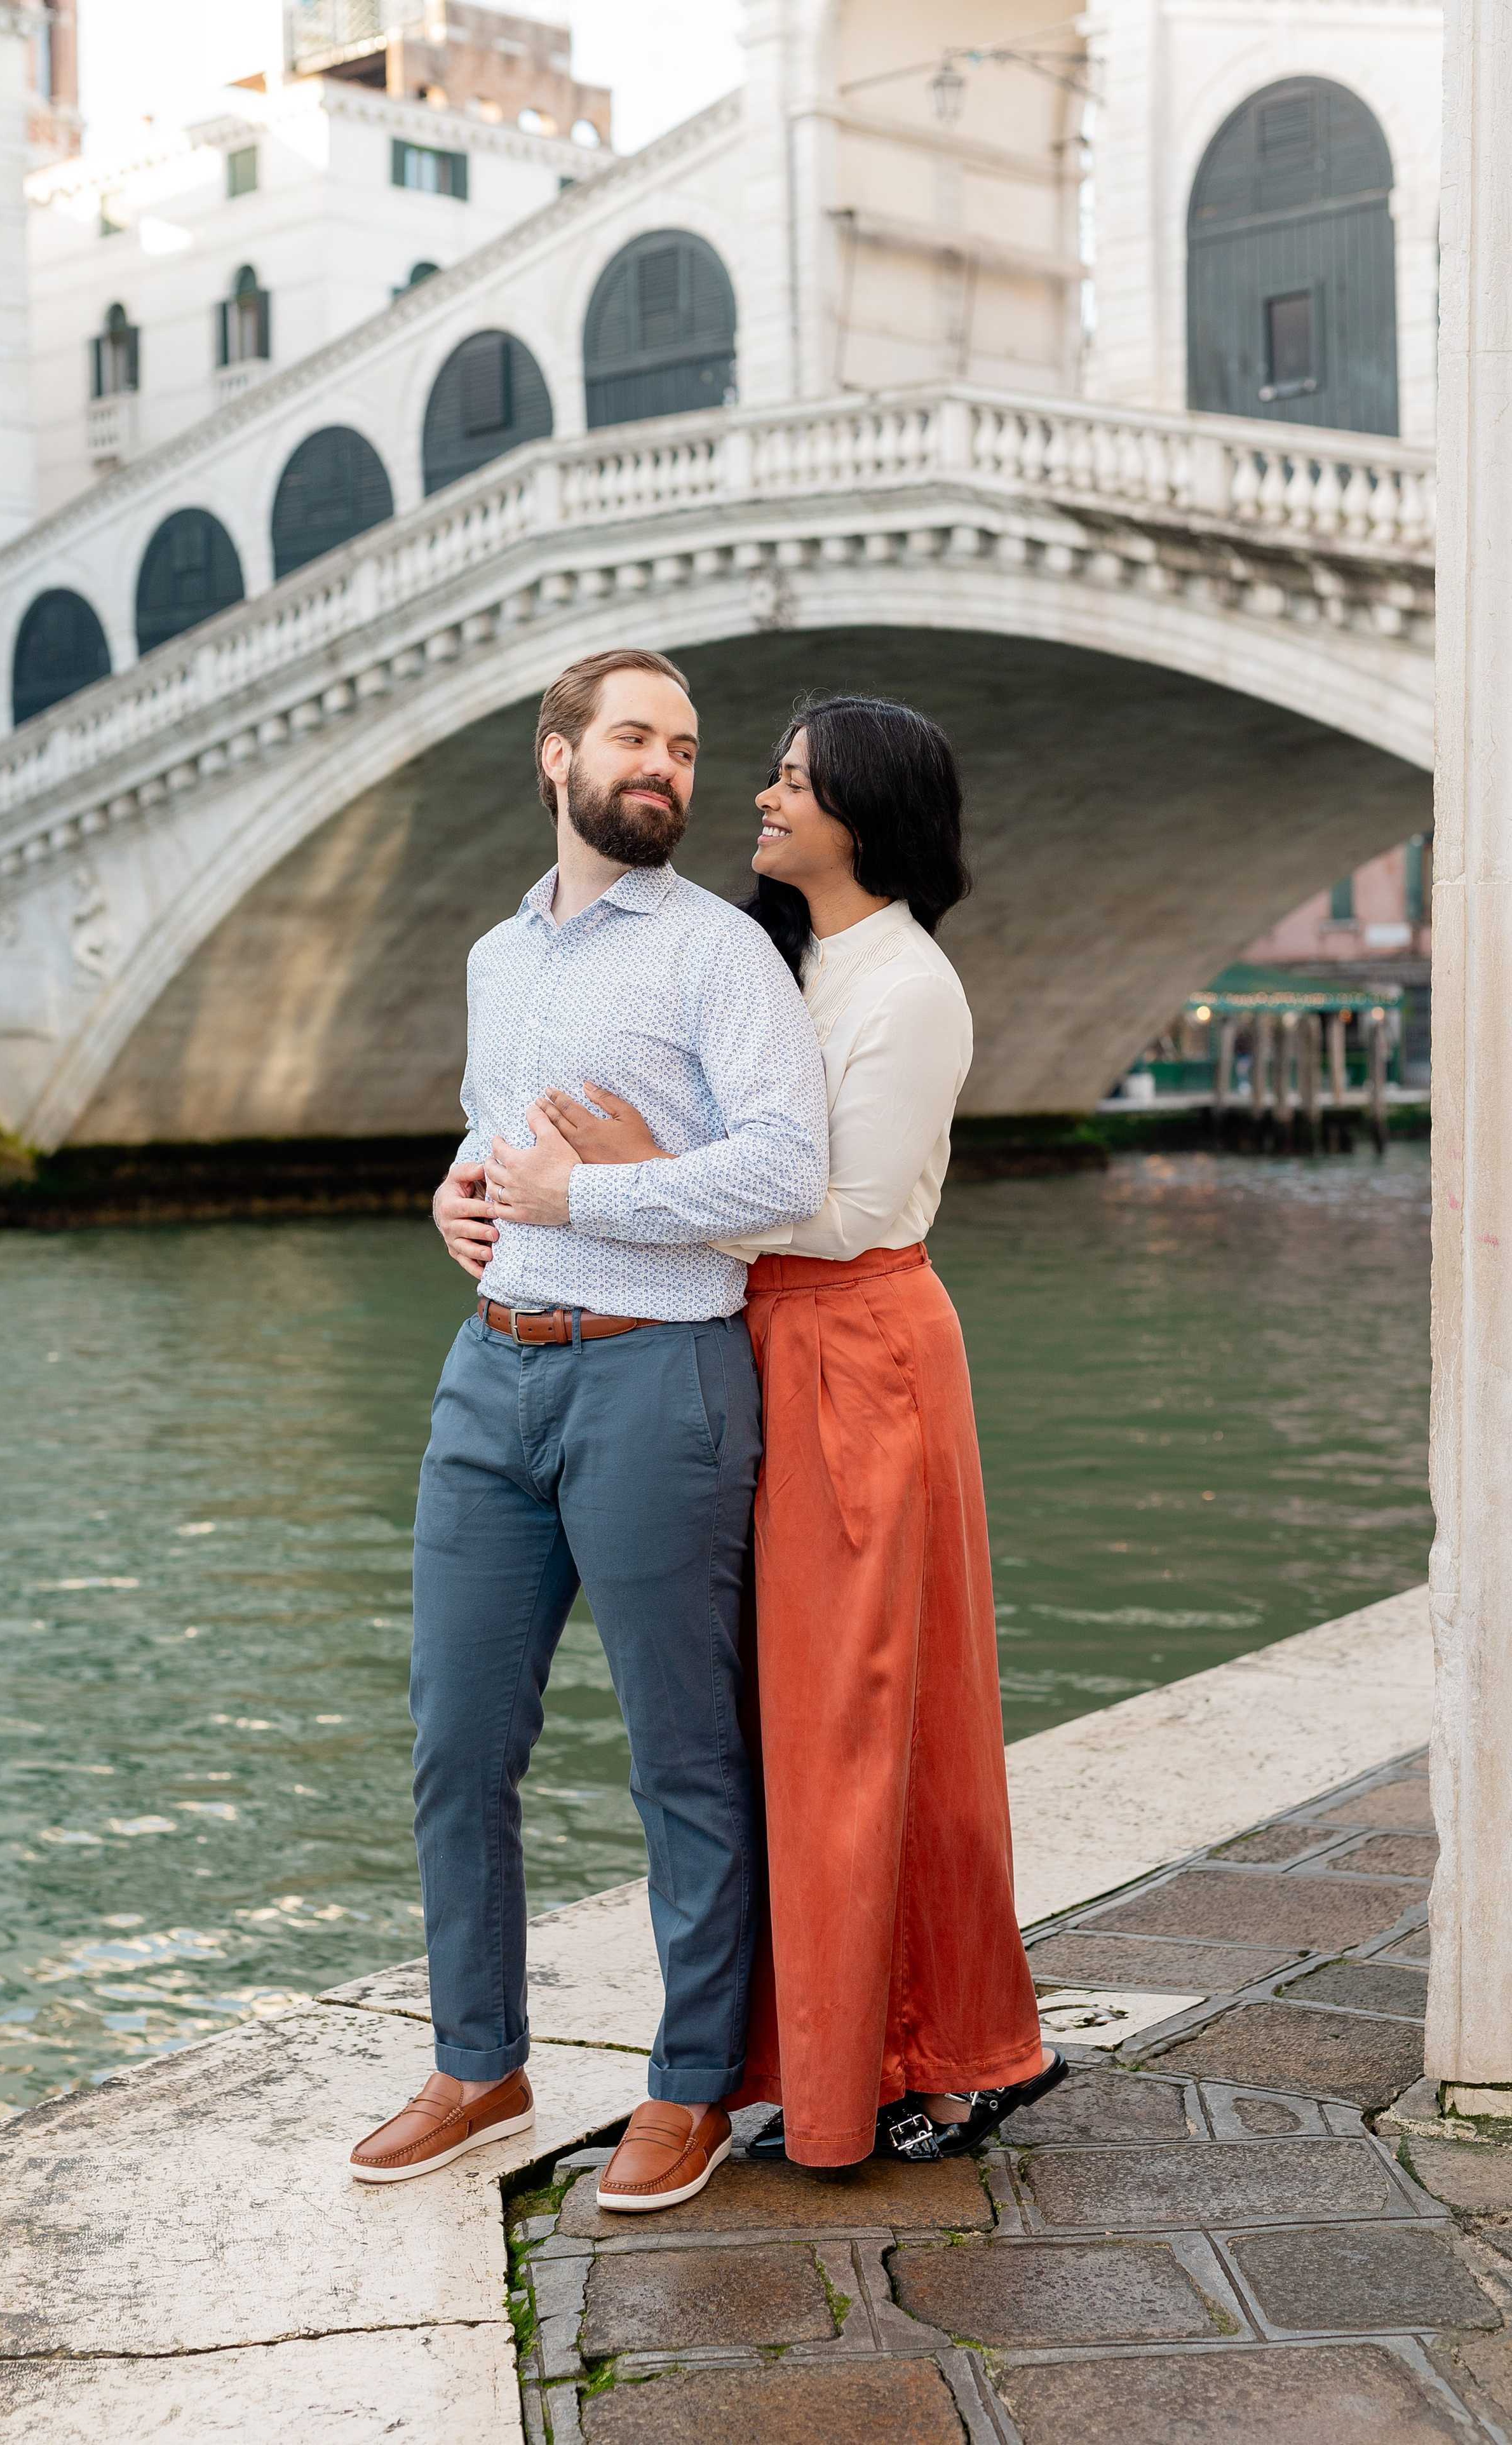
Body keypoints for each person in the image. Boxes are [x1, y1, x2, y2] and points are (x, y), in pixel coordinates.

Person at [537, 694, 1065, 2167]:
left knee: (863, 1710)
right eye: (763, 774)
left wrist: (656, 1170)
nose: (758, 800)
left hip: (856, 1351)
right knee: (774, 1717)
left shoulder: (908, 987)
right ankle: (813, 2047)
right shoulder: (780, 957)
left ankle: (930, 2046)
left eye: (789, 781)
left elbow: (838, 1210)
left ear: (865, 814)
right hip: (758, 1338)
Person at [348, 647, 828, 2212]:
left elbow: (784, 1172)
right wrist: (460, 1190)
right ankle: (478, 2060)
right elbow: (505, 1133)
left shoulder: (719, 954)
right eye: (635, 739)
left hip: (656, 1382)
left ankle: (689, 2083)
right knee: (454, 1743)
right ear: (555, 758)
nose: (668, 771)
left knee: (682, 1752)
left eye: (686, 749)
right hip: (489, 1375)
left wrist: (589, 1197)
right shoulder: (499, 956)